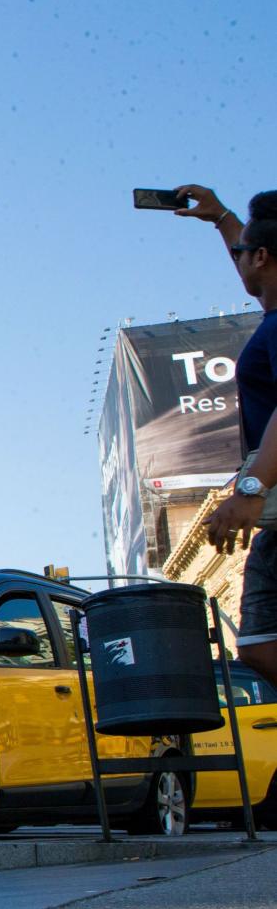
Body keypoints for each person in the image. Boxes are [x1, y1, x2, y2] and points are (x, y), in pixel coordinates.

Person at [174, 185, 277, 691]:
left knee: (261, 644)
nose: (238, 258)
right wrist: (221, 218)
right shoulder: (273, 314)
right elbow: (254, 266)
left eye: (244, 250)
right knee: (258, 644)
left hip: (266, 493)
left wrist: (251, 489)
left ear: (262, 256)